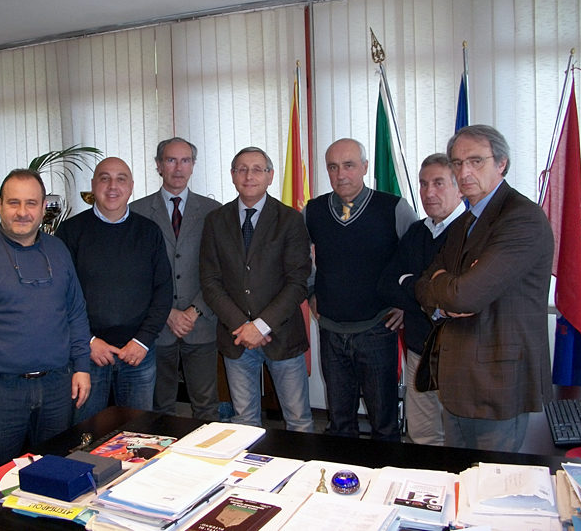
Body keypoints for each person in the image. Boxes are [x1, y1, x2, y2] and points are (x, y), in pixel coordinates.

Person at [415, 125, 554, 452]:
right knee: (457, 479)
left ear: (501, 164)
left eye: (475, 161)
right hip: (457, 381)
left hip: (496, 385)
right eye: (457, 163)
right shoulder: (466, 220)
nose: (464, 171)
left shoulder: (522, 218)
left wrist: (447, 286)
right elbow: (424, 284)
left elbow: (468, 295)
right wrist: (445, 289)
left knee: (492, 488)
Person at [0, 169, 91, 473]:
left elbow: (75, 312)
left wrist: (83, 368)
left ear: (42, 207)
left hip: (57, 386)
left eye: (31, 203)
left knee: (54, 473)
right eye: (14, 203)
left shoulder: (59, 250)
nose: (22, 212)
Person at [305, 138, 418, 441]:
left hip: (377, 331)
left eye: (349, 165)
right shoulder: (313, 210)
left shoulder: (393, 207)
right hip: (331, 332)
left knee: (384, 423)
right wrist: (312, 290)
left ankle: (387, 482)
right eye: (333, 166)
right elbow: (300, 259)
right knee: (340, 423)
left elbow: (418, 258)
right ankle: (343, 482)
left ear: (365, 167)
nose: (341, 174)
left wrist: (405, 303)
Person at [199, 146, 313, 432]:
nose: (249, 176)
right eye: (242, 169)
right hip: (235, 338)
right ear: (233, 175)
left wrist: (260, 326)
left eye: (257, 169)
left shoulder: (290, 219)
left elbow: (297, 281)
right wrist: (242, 326)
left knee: (298, 421)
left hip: (282, 335)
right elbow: (210, 281)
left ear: (270, 176)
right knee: (244, 423)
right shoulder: (216, 220)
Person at [56, 157, 172, 423]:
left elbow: (163, 291)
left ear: (131, 187)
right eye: (104, 178)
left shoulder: (149, 232)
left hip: (138, 355)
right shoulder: (71, 232)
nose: (112, 186)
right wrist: (88, 342)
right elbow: (59, 296)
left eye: (121, 179)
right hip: (88, 356)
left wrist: (143, 340)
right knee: (86, 434)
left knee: (138, 435)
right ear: (94, 185)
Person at [130, 138, 221, 421]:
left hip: (202, 322)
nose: (178, 168)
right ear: (158, 165)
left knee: (206, 406)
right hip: (157, 327)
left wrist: (193, 311)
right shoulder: (136, 212)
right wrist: (167, 313)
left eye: (185, 161)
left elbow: (220, 271)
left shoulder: (213, 211)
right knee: (160, 407)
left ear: (193, 165)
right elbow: (135, 276)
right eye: (171, 160)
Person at [377, 153, 465, 445]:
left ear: (459, 187)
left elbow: (458, 296)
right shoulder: (417, 231)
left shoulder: (472, 230)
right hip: (418, 350)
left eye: (438, 183)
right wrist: (427, 289)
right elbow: (387, 285)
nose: (428, 192)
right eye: (423, 184)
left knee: (460, 438)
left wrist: (410, 283)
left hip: (460, 353)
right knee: (422, 436)